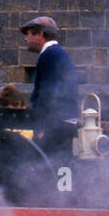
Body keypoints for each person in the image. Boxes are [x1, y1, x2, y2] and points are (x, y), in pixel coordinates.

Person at [20, 15, 79, 156]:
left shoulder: (50, 55)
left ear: (40, 34)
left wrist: (42, 128)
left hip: (56, 128)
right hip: (61, 125)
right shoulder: (55, 54)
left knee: (55, 169)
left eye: (28, 34)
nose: (25, 39)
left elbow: (48, 95)